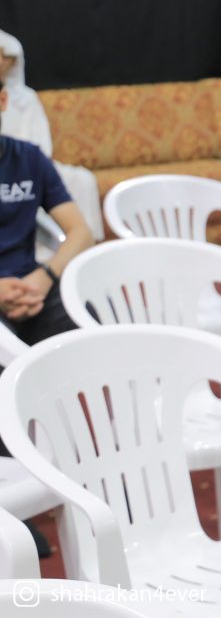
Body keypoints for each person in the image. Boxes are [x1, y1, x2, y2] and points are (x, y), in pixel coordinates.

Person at [0, 73, 94, 558]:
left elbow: (79, 230)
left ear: (2, 100)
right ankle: (13, 510)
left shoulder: (27, 157)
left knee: (86, 327)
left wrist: (45, 276)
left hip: (30, 287)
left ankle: (92, 476)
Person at [0, 28, 104, 242]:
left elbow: (40, 147)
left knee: (81, 180)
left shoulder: (27, 99)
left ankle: (88, 248)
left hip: (28, 165)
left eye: (6, 57)